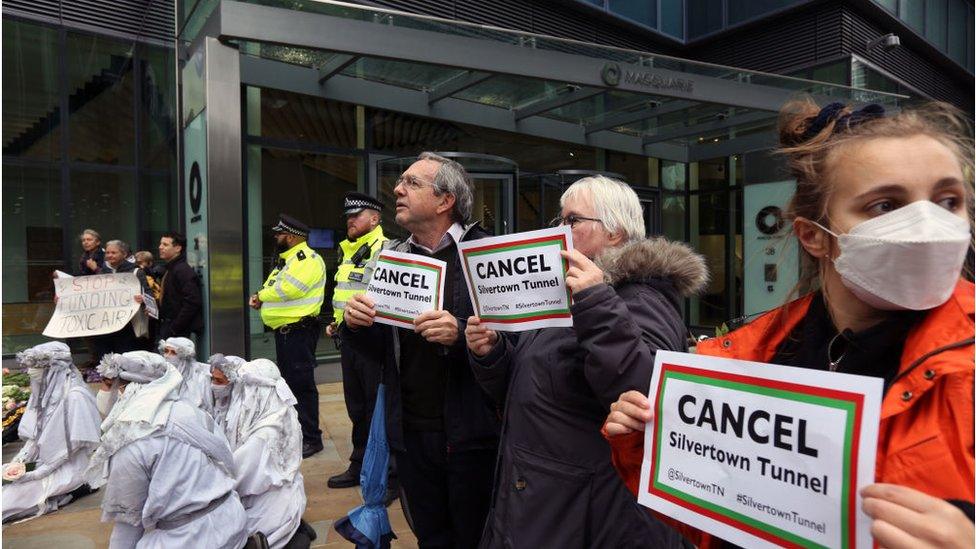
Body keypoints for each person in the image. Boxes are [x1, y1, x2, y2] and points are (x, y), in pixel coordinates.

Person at [604, 100, 975, 548]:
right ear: (814, 236)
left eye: (948, 200)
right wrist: (648, 445)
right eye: (884, 205)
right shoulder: (748, 357)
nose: (926, 223)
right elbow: (721, 524)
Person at [463, 176, 706, 548]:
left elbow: (645, 395)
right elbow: (529, 385)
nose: (560, 230)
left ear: (614, 233)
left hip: (590, 513)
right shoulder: (562, 291)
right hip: (541, 496)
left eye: (572, 221)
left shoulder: (642, 297)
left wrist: (596, 302)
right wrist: (492, 352)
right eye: (558, 221)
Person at [342, 152, 501, 548]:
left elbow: (517, 345)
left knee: (476, 537)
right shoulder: (394, 256)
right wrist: (357, 325)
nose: (397, 189)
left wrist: (462, 334)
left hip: (475, 437)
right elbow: (381, 350)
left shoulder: (491, 253)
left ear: (445, 200)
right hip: (411, 434)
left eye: (412, 183)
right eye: (401, 181)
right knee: (431, 537)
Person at [86, 350, 249, 549]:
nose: (106, 393)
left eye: (111, 386)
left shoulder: (130, 439)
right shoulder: (192, 411)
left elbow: (128, 524)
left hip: (189, 539)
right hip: (233, 521)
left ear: (128, 389)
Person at [210, 355, 315, 549]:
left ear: (258, 392)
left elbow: (238, 476)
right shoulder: (278, 412)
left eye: (245, 388)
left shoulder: (264, 434)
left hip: (268, 509)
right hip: (275, 498)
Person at [249, 214, 327, 459]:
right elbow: (273, 287)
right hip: (286, 333)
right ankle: (297, 433)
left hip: (299, 332)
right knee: (291, 385)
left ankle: (312, 438)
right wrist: (260, 296)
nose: (276, 237)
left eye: (279, 234)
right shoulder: (286, 260)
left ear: (291, 237)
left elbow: (290, 289)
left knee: (302, 386)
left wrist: (262, 297)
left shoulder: (307, 259)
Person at [327, 192, 390, 490]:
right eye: (348, 217)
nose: (350, 221)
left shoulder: (386, 249)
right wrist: (336, 323)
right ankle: (360, 462)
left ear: (375, 219)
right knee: (357, 407)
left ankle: (389, 475)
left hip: (374, 343)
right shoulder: (349, 250)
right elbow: (346, 295)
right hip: (349, 339)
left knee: (377, 407)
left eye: (357, 216)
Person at [1, 342, 102, 522]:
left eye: (36, 367)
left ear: (54, 368)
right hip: (39, 463)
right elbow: (34, 438)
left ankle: (73, 490)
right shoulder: (42, 393)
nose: (30, 372)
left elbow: (71, 448)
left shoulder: (76, 397)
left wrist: (36, 474)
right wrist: (18, 462)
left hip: (67, 467)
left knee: (7, 502)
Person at [93, 240, 150, 359]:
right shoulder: (101, 273)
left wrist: (144, 299)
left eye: (113, 252)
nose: (109, 255)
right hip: (105, 327)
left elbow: (149, 295)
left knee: (126, 360)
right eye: (107, 252)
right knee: (105, 361)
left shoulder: (136, 272)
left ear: (124, 254)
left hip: (128, 327)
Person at [157, 232, 204, 340]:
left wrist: (174, 328)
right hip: (169, 326)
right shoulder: (171, 269)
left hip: (176, 331)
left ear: (177, 248)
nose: (160, 247)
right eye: (160, 244)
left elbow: (192, 301)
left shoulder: (182, 270)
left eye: (165, 244)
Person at [159, 337, 214, 415]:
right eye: (166, 351)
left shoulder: (200, 376)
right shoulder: (161, 373)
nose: (167, 356)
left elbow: (206, 408)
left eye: (173, 352)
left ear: (183, 356)